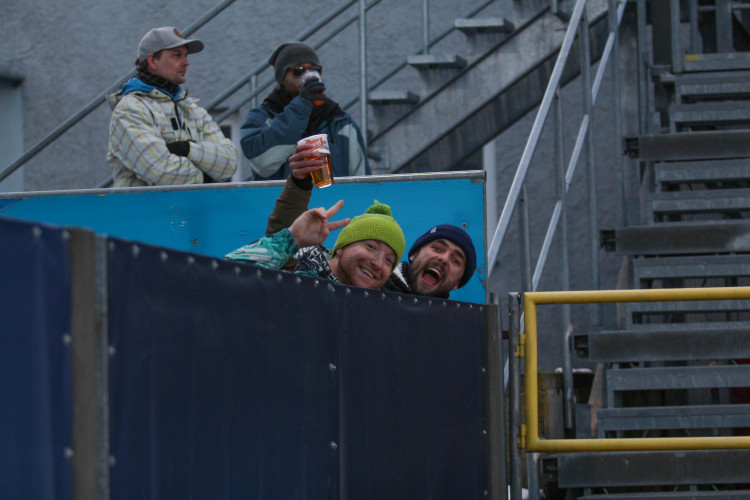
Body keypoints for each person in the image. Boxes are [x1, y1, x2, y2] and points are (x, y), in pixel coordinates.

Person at [107, 27, 238, 187]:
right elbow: (160, 170)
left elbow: (230, 163)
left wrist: (187, 148)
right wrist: (207, 177)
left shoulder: (192, 109)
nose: (186, 62)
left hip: (191, 210)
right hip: (146, 211)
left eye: (186, 55)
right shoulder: (130, 108)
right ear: (152, 61)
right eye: (177, 55)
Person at [240, 41, 370, 181]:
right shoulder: (262, 116)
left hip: (331, 202)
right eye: (299, 70)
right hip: (284, 202)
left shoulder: (340, 121)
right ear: (282, 77)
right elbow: (263, 163)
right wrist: (302, 104)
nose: (308, 75)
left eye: (314, 69)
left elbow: (362, 180)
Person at [225, 200, 405, 290]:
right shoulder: (291, 275)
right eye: (371, 247)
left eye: (389, 260)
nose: (378, 263)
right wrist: (292, 238)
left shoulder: (378, 312)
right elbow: (223, 279)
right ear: (341, 249)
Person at [384, 224, 477, 299]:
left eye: (455, 261)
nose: (444, 258)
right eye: (437, 248)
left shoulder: (453, 321)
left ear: (457, 283)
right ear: (415, 254)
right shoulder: (374, 287)